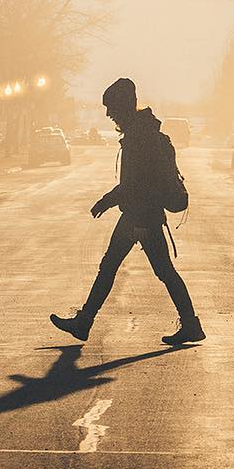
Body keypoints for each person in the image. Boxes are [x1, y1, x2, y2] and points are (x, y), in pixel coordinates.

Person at [51, 77, 204, 346]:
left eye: (111, 108)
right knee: (113, 267)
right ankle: (84, 321)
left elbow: (134, 184)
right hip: (139, 214)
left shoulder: (139, 138)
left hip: (141, 217)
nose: (109, 115)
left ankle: (190, 323)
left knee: (158, 271)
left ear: (123, 106)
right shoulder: (142, 133)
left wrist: (106, 201)